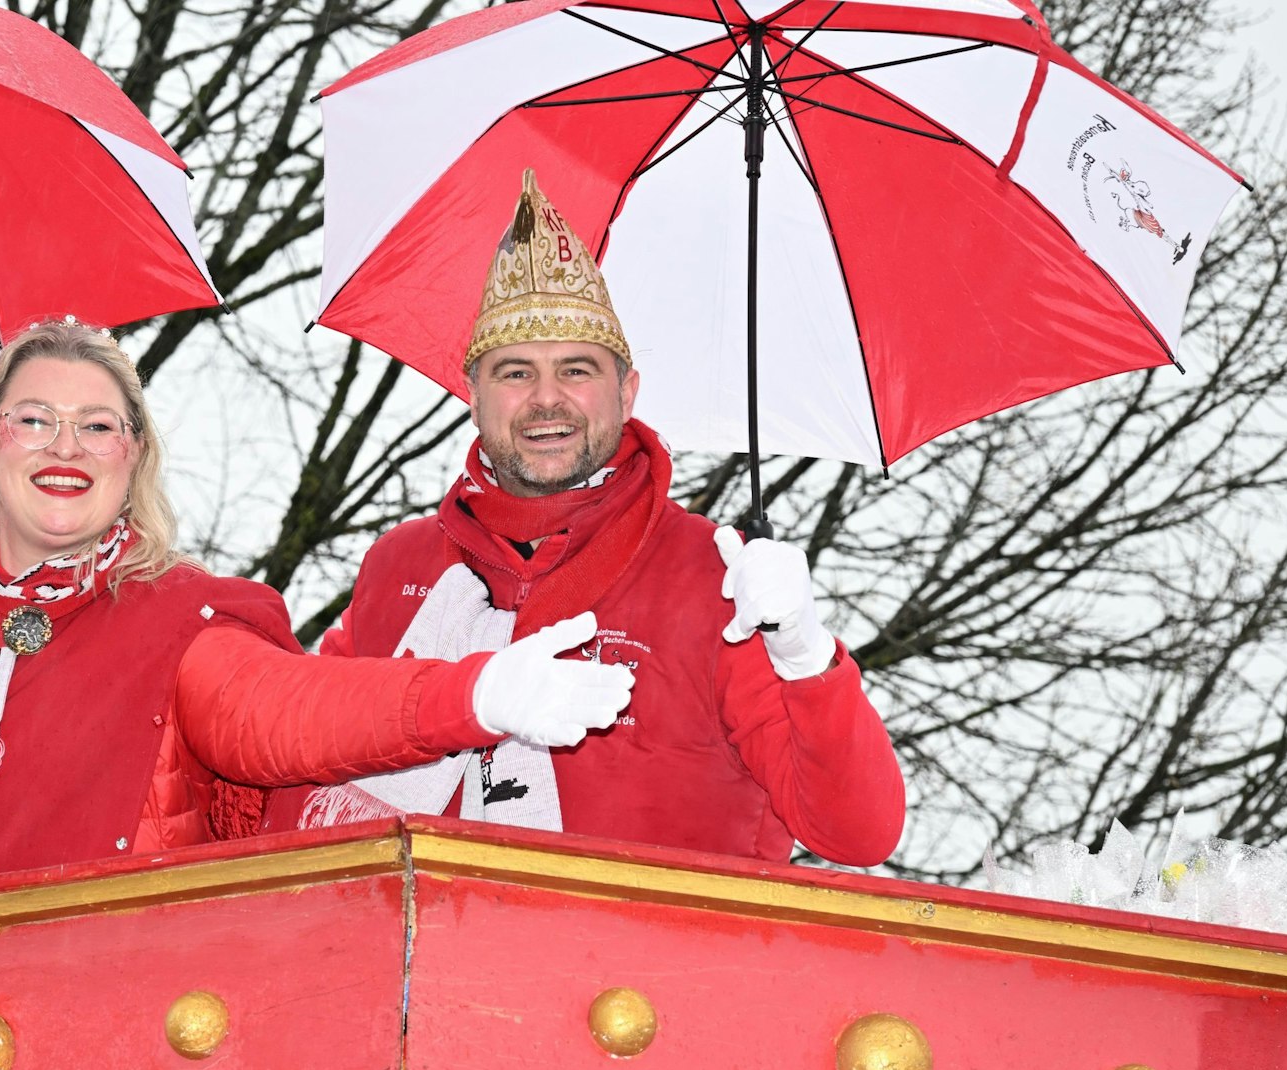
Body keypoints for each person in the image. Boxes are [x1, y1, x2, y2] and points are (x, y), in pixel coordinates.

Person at [0, 318, 633, 899]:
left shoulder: (182, 615)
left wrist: (478, 696)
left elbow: (289, 715)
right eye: (36, 419)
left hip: (89, 1042)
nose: (68, 445)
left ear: (134, 457)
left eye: (100, 426)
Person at [267, 171, 906, 867]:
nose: (547, 399)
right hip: (419, 963)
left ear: (627, 391)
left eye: (576, 370)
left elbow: (857, 833)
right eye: (514, 372)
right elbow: (302, 759)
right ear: (472, 394)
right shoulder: (401, 565)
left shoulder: (715, 577)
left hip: (667, 967)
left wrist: (807, 657)